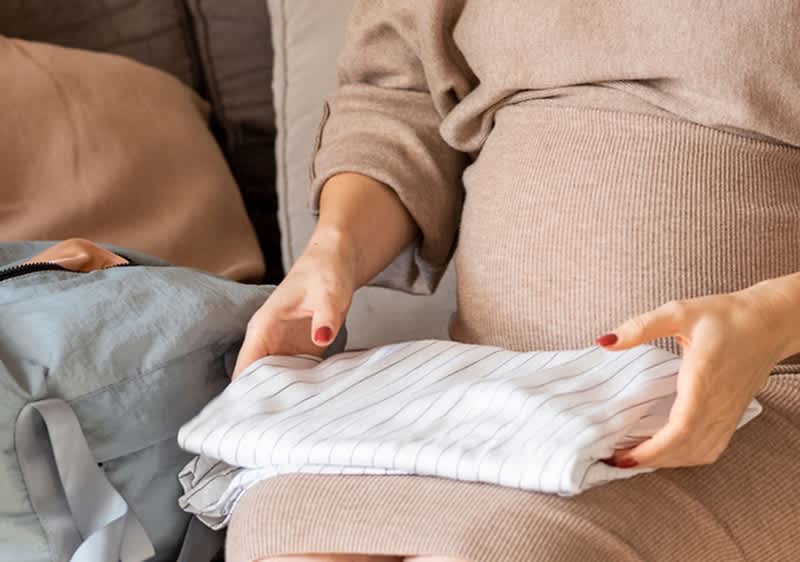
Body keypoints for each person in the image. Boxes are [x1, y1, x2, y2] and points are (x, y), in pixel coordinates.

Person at [227, 1, 800, 561]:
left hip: (753, 386)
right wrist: (332, 254)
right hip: (489, 393)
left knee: (510, 548)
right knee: (291, 533)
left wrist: (770, 320)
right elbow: (398, 100)